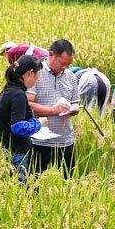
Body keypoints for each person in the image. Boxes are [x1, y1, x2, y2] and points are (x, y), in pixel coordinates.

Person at [27, 39, 80, 178]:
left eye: (68, 65)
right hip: (39, 141)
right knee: (33, 183)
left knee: (68, 182)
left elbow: (76, 103)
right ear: (51, 55)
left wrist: (73, 109)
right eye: (62, 63)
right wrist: (54, 110)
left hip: (66, 140)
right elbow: (28, 104)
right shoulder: (34, 73)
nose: (65, 67)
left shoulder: (71, 77)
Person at [0, 55, 47, 184]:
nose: (36, 80)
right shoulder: (18, 95)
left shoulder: (7, 90)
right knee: (18, 191)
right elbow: (18, 127)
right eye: (37, 76)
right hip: (17, 153)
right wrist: (38, 123)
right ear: (30, 73)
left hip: (7, 148)